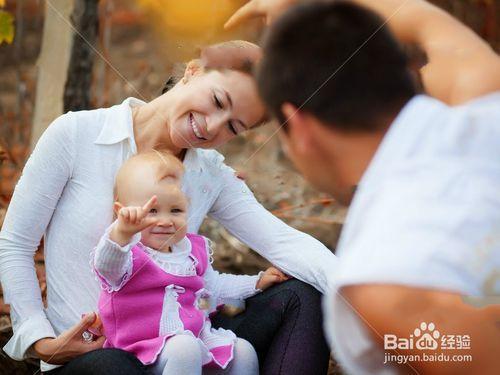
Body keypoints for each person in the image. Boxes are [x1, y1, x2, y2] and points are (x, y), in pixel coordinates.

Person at [0, 42, 334, 374]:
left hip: (177, 351)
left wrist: (368, 302)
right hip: (94, 359)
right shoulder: (77, 135)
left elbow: (286, 244)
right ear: (193, 71)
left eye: (233, 126)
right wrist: (42, 342)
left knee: (300, 297)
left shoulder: (211, 173)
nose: (213, 126)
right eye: (217, 101)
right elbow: (15, 245)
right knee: (115, 365)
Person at [226, 0, 500, 373]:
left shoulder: (385, 281)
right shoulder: (484, 100)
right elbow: (422, 17)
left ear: (299, 125)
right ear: (402, 70)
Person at [92, 150, 288, 374]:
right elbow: (107, 266)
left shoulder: (190, 252)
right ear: (123, 212)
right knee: (185, 348)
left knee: (243, 351)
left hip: (194, 340)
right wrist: (121, 232)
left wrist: (256, 282)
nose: (165, 221)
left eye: (176, 210)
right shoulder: (128, 255)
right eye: (152, 211)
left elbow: (213, 287)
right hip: (139, 349)